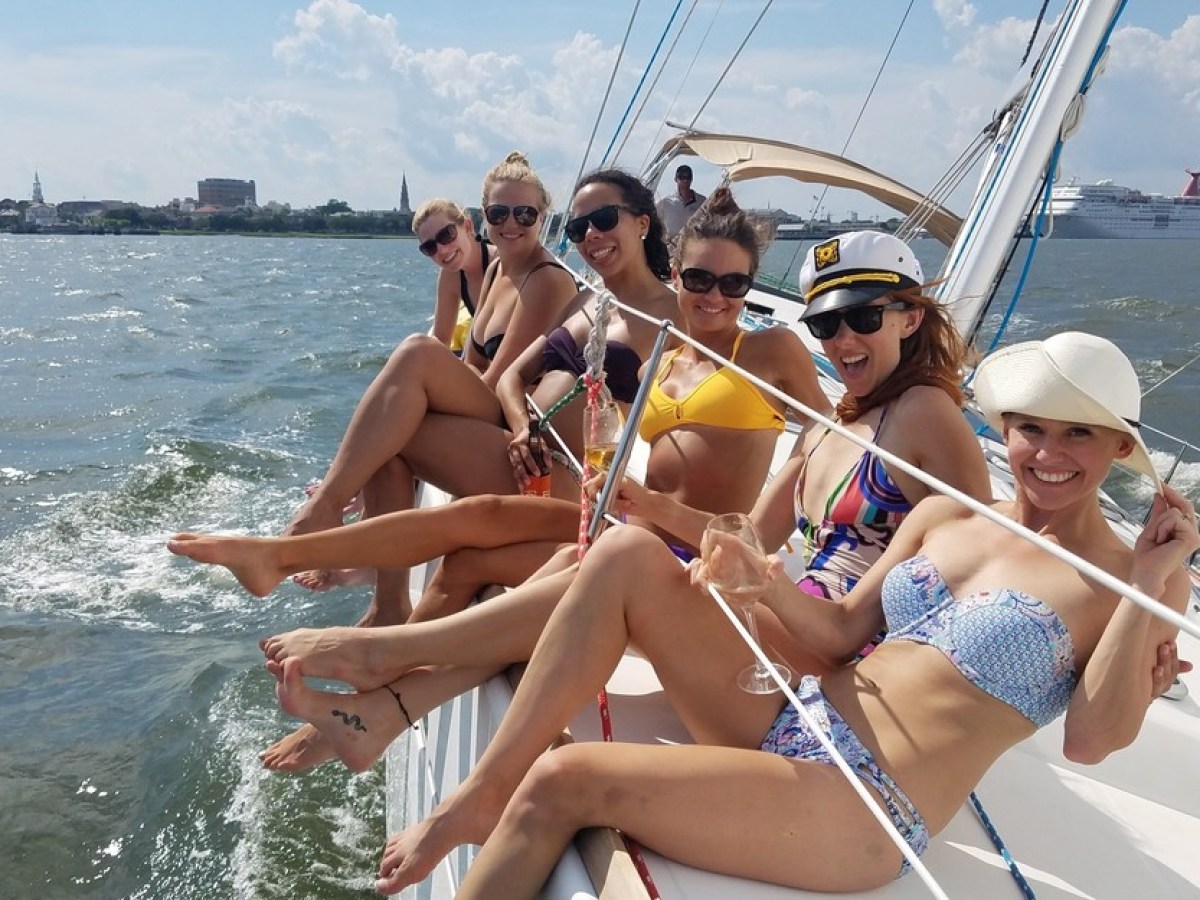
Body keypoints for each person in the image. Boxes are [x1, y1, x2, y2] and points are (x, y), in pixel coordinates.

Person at [358, 331, 1197, 897]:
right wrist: (761, 585)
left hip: (868, 806)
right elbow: (838, 635)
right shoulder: (950, 516)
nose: (1048, 456)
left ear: (1120, 447)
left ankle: (475, 768)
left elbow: (1092, 738)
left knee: (567, 779)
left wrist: (1159, 574)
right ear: (1005, 430)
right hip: (796, 721)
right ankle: (475, 784)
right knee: (628, 555)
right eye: (1030, 430)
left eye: (1079, 436)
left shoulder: (1129, 583)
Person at [236, 230, 995, 777]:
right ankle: (382, 689)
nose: (841, 341)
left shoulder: (922, 414)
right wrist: (652, 508)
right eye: (827, 323)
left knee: (587, 558)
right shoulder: (844, 420)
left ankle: (381, 661)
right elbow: (748, 539)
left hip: (820, 650)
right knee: (563, 553)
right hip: (769, 612)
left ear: (911, 317)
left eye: (863, 319)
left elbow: (976, 566)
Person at [169, 185, 830, 768]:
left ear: (752, 287)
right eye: (699, 280)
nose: (714, 297)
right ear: (679, 273)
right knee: (472, 524)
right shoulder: (669, 347)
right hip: (629, 520)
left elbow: (830, 434)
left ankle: (374, 693)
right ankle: (280, 559)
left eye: (735, 285)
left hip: (683, 549)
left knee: (467, 567)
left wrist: (786, 514)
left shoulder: (769, 349)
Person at [412, 198, 491, 353]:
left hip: (519, 370)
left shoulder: (503, 264)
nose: (441, 250)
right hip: (482, 365)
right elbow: (441, 342)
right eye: (429, 247)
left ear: (468, 227)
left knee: (413, 348)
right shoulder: (451, 276)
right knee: (415, 347)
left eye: (446, 235)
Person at [656, 163, 706, 238]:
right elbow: (655, 223)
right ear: (675, 179)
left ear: (691, 180)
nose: (685, 180)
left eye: (688, 177)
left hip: (694, 245)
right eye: (681, 177)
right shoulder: (665, 202)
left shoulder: (702, 201)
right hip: (672, 247)